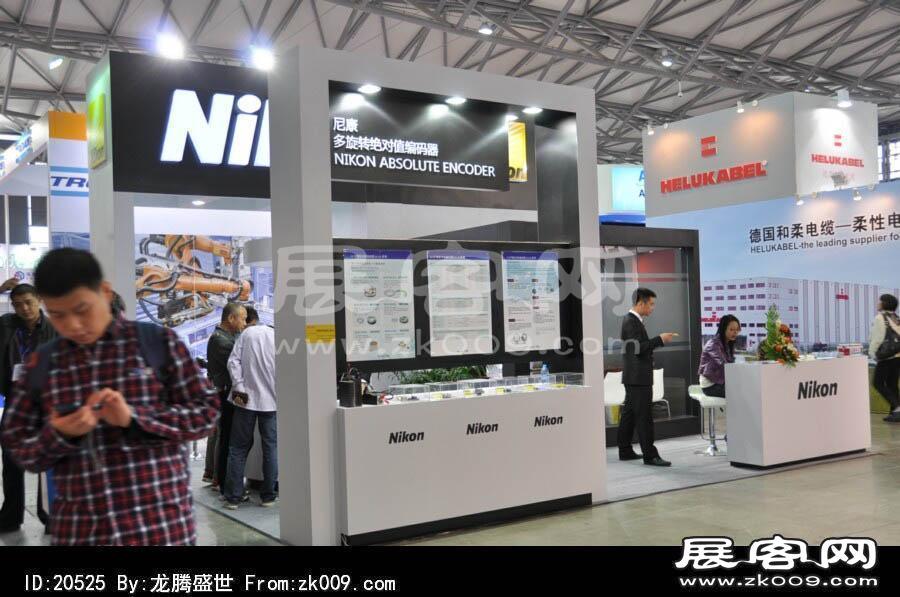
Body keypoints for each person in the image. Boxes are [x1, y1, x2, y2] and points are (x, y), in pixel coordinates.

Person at [0, 248, 219, 545]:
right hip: (82, 532)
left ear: (103, 293)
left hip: (160, 529)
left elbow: (206, 413)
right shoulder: (43, 364)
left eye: (82, 309)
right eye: (58, 315)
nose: (72, 325)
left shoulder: (158, 343)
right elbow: (17, 444)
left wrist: (135, 419)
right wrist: (60, 433)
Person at [0, 284, 58, 533]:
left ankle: (51, 517)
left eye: (28, 302)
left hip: (45, 403)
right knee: (11, 460)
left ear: (39, 300)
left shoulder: (54, 329)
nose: (24, 309)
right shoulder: (6, 325)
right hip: (15, 400)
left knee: (48, 462)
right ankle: (11, 516)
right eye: (17, 304)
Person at [618, 288, 677, 467]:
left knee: (629, 415)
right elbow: (639, 348)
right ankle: (650, 456)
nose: (653, 308)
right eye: (651, 304)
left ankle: (625, 450)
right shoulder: (631, 321)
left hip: (635, 377)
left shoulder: (633, 321)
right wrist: (660, 339)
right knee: (644, 417)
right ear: (640, 303)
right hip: (638, 378)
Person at [224, 314, 277, 509]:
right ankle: (268, 496)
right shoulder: (277, 337)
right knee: (271, 448)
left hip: (245, 400)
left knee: (237, 448)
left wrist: (239, 385)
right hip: (271, 402)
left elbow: (233, 362)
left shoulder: (246, 335)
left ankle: (234, 498)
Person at [204, 303, 247, 491]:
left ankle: (221, 480)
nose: (244, 323)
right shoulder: (220, 341)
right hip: (224, 395)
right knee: (227, 439)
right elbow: (240, 363)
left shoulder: (227, 338)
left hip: (226, 393)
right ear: (231, 318)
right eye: (242, 318)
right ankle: (223, 482)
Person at [870, 293, 900, 423]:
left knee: (878, 383)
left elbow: (877, 338)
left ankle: (898, 408)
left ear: (884, 303)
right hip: (897, 355)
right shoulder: (896, 318)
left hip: (886, 356)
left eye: (880, 301)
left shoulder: (880, 317)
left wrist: (872, 354)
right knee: (892, 384)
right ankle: (894, 413)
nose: (878, 303)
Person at [698, 315, 741, 398]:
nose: (735, 332)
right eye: (731, 329)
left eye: (737, 330)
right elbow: (723, 364)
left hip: (720, 382)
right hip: (710, 386)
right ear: (723, 329)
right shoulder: (713, 344)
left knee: (746, 388)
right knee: (743, 392)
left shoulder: (727, 344)